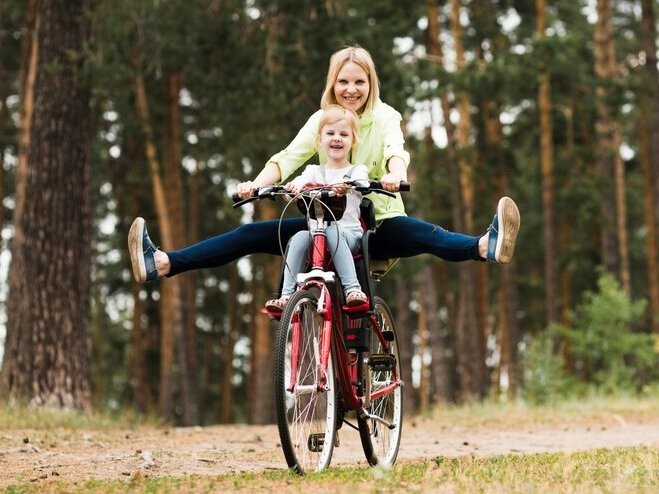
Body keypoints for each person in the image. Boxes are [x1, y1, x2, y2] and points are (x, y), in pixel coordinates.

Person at [128, 45, 519, 287]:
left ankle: (486, 245)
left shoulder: (384, 116)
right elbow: (287, 159)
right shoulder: (322, 121)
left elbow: (395, 151)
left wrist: (396, 175)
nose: (351, 90)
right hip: (324, 222)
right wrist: (254, 184)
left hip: (375, 222)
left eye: (359, 82)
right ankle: (161, 263)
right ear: (333, 83)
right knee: (247, 237)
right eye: (343, 81)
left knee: (424, 234)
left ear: (371, 84)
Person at [264, 105, 370, 312]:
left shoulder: (356, 170)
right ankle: (286, 297)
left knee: (332, 230)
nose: (336, 138)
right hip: (316, 236)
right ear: (320, 140)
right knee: (298, 238)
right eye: (330, 133)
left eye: (344, 134)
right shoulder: (313, 171)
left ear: (353, 141)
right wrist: (291, 189)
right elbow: (295, 187)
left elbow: (363, 183)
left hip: (349, 235)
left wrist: (349, 186)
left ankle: (352, 290)